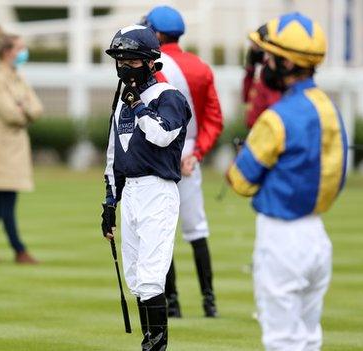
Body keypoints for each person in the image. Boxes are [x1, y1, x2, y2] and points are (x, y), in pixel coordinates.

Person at [227, 13, 348, 351]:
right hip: (317, 237)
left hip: (281, 238)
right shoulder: (330, 108)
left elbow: (240, 180)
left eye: (269, 56)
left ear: (286, 62)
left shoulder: (276, 118)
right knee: (309, 339)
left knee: (281, 341)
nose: (264, 63)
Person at [102, 24, 191, 351]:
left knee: (152, 276)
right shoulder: (122, 104)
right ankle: (148, 343)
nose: (124, 67)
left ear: (150, 62)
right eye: (120, 60)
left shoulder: (169, 97)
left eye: (132, 61)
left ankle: (156, 346)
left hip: (158, 191)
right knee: (136, 278)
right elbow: (113, 153)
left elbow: (162, 134)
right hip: (131, 195)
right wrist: (110, 202)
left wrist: (138, 105)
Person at [142, 5, 223, 318]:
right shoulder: (201, 67)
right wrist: (197, 154)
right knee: (196, 229)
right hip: (190, 153)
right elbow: (214, 119)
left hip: (161, 149)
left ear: (157, 34)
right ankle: (209, 302)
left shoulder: (153, 64)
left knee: (163, 230)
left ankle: (172, 303)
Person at [0, 26, 43, 264]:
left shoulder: (19, 77)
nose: (24, 52)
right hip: (1, 146)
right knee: (7, 198)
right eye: (20, 48)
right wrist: (23, 107)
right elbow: (10, 114)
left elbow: (36, 108)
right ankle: (19, 249)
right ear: (7, 51)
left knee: (0, 198)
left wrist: (22, 106)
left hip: (17, 145)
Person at [242, 44, 281, 129]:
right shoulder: (258, 72)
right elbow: (246, 96)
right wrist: (250, 69)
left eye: (258, 46)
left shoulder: (273, 77)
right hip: (256, 130)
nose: (255, 50)